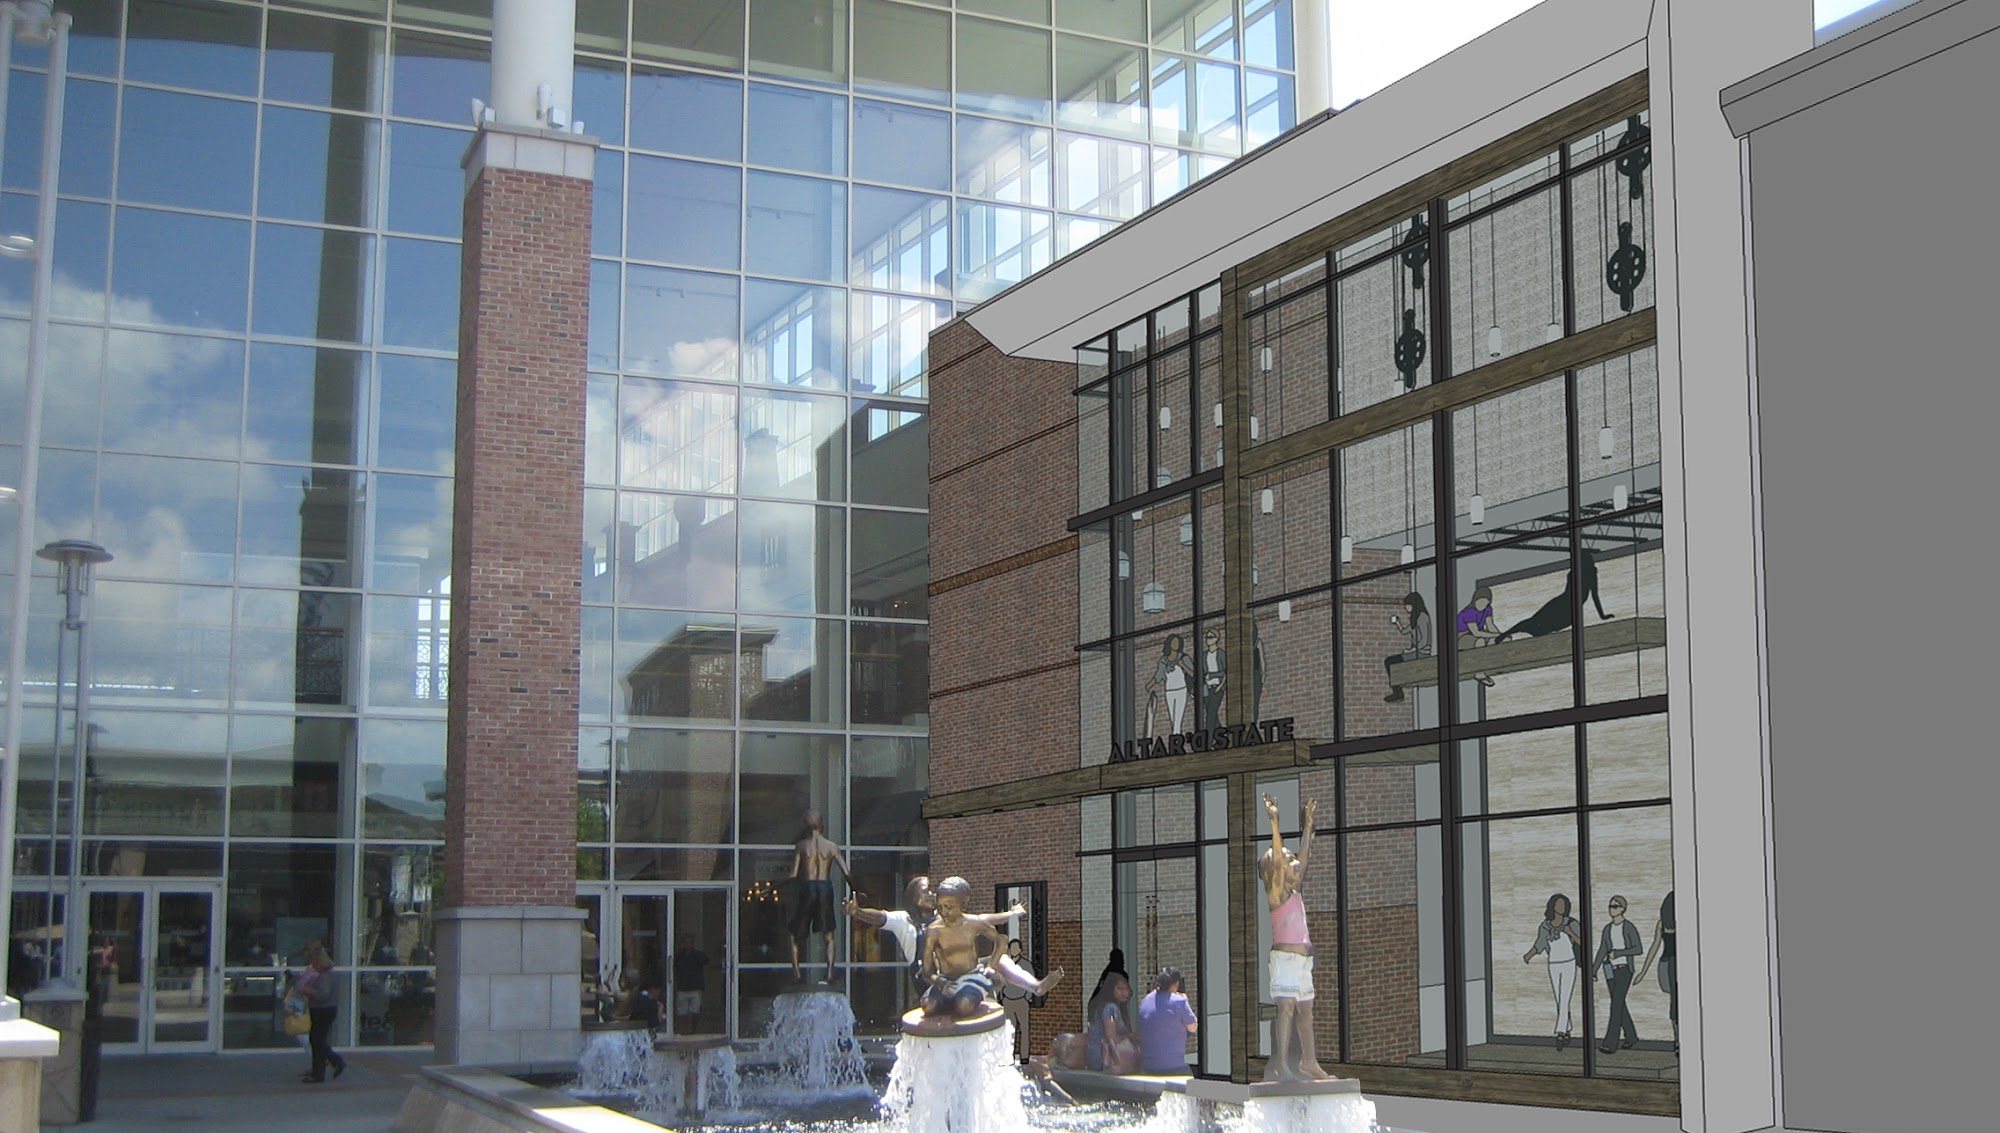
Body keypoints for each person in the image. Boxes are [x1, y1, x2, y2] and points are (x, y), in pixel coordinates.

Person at [846, 877, 1061, 998]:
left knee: (1000, 961)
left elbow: (981, 918)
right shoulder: (903, 920)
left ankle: (1036, 986)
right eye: (925, 891)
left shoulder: (947, 916)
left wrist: (1011, 914)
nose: (931, 895)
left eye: (933, 892)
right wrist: (858, 912)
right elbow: (879, 917)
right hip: (929, 976)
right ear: (912, 896)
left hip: (957, 969)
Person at [1261, 793, 1329, 1080]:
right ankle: (1281, 1064)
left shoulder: (1295, 889)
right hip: (1285, 959)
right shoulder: (1276, 892)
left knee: (1306, 1010)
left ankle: (1309, 1062)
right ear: (1276, 870)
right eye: (1289, 860)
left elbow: (1304, 859)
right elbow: (1278, 857)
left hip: (1301, 960)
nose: (1294, 862)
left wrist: (1308, 828)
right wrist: (1275, 823)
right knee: (1286, 1009)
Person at [917, 877, 1003, 1019]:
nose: (944, 912)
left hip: (971, 976)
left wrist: (991, 966)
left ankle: (971, 995)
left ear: (963, 905)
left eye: (949, 907)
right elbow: (927, 971)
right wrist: (937, 980)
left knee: (964, 1007)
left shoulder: (973, 923)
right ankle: (950, 1001)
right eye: (939, 907)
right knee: (929, 1007)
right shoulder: (933, 930)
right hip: (946, 979)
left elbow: (1001, 940)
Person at [787, 808, 851, 982]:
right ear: (822, 824)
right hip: (824, 887)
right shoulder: (831, 846)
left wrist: (772, 887)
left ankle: (797, 973)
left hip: (807, 887)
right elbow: (846, 872)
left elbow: (793, 875)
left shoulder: (802, 846)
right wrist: (856, 890)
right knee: (829, 935)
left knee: (794, 934)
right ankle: (829, 972)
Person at [1522, 893, 1584, 1050]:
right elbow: (1540, 944)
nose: (1561, 907)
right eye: (1558, 904)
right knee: (1559, 999)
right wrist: (1529, 955)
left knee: (1564, 998)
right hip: (1553, 965)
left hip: (1569, 963)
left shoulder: (1571, 923)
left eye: (1564, 904)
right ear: (1552, 906)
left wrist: (1570, 932)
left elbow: (1582, 941)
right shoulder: (1545, 926)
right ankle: (1567, 1028)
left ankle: (1560, 1032)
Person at [289, 940, 347, 1084]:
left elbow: (323, 994)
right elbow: (306, 980)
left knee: (317, 1041)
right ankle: (328, 1065)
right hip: (319, 1009)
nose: (308, 961)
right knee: (317, 1040)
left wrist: (307, 990)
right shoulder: (315, 971)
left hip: (324, 1010)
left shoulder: (324, 973)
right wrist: (295, 977)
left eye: (308, 957)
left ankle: (321, 1071)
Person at [1593, 894, 1643, 1054]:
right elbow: (1602, 949)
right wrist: (1593, 969)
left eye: (1615, 906)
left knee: (1615, 1005)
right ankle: (1631, 1037)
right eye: (1610, 906)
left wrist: (1619, 953)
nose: (1611, 909)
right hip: (1609, 969)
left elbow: (1638, 949)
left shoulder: (1628, 927)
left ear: (1622, 909)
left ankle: (1610, 1043)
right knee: (1619, 1004)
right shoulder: (1607, 929)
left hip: (1624, 969)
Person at [1636, 889, 1677, 1055]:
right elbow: (1654, 946)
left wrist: (1643, 972)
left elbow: (1655, 946)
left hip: (1669, 963)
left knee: (1675, 1003)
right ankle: (1678, 1039)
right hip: (1669, 965)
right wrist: (1643, 972)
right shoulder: (1662, 924)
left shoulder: (1664, 923)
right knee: (1675, 1003)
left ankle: (1678, 1040)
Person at [1136, 967, 1198, 1075]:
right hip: (1173, 1068)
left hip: (1147, 1067)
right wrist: (1185, 1001)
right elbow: (1193, 1027)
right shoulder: (1179, 1002)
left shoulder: (1145, 1001)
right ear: (1176, 984)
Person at [1382, 592, 1432, 702]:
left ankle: (1398, 693)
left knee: (1390, 661)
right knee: (1391, 661)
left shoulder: (1422, 617)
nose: (1405, 607)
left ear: (1413, 604)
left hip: (1421, 653)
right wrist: (1398, 623)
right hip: (1415, 652)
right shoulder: (1414, 618)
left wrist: (1411, 650)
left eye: (1407, 605)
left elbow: (1424, 640)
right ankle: (1398, 692)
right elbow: (1405, 631)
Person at [1147, 635, 1194, 735]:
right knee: (1173, 719)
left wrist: (1183, 665)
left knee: (1177, 720)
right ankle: (1176, 738)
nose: (1176, 644)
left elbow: (1193, 674)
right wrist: (1149, 685)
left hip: (1181, 690)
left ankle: (1176, 738)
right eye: (1174, 642)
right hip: (1169, 692)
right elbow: (1159, 675)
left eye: (1177, 642)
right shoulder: (1163, 660)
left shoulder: (1184, 658)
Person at [998, 939, 1036, 1063]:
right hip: (1008, 1001)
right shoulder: (1006, 965)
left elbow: (1031, 982)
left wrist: (1027, 997)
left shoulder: (1026, 965)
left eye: (1016, 948)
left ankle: (1024, 1057)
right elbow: (1001, 980)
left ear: (1020, 950)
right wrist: (1002, 996)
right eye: (1012, 948)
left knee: (1024, 1029)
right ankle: (1009, 1056)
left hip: (1021, 1001)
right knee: (1009, 1030)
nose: (1014, 950)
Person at [1456, 586, 1501, 687]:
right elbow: (1476, 632)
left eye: (1485, 602)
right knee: (1480, 642)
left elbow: (1490, 625)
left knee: (1493, 640)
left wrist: (1500, 636)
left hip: (1477, 634)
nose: (1482, 605)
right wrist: (1495, 635)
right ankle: (1479, 673)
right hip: (1461, 638)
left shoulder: (1488, 609)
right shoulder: (1469, 612)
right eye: (1480, 602)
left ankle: (1488, 666)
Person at [671, 936, 708, 1033]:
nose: (687, 945)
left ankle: (693, 1030)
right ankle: (683, 1030)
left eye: (690, 943)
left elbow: (705, 960)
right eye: (685, 943)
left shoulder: (698, 955)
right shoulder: (679, 956)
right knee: (682, 1012)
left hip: (695, 988)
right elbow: (673, 964)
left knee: (695, 1012)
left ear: (693, 944)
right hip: (682, 987)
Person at [1200, 628, 1227, 731]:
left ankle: (1209, 738)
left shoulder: (1221, 653)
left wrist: (1219, 684)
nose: (1208, 640)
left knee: (1210, 715)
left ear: (1216, 639)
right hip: (1206, 689)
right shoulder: (1204, 656)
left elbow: (1225, 672)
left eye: (1210, 637)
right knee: (1212, 714)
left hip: (1217, 687)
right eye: (1207, 637)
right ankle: (1220, 733)